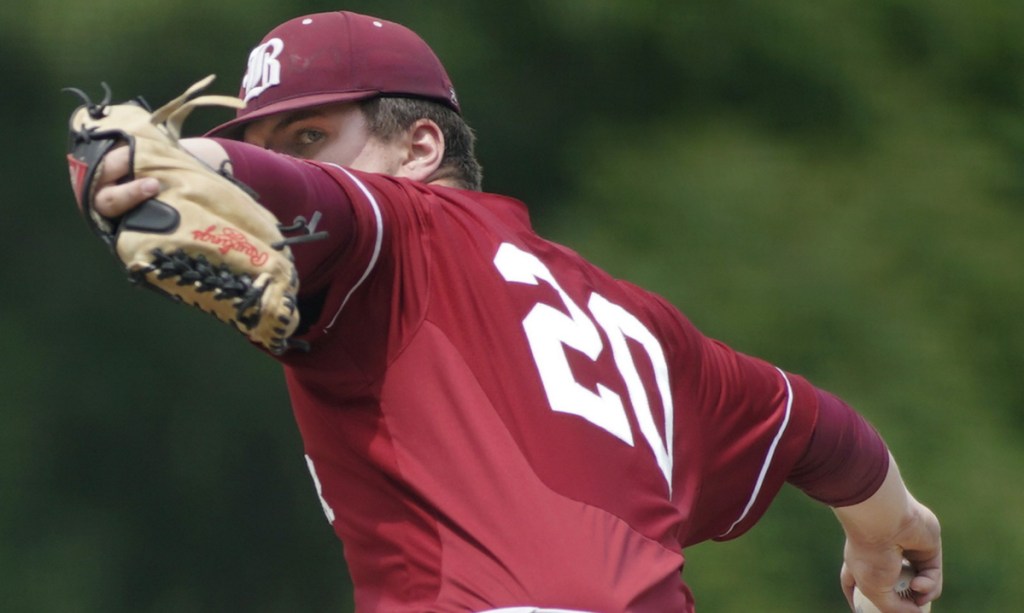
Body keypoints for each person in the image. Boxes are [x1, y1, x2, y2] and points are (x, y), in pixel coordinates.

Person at [83, 10, 941, 613]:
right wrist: (890, 526)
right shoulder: (645, 326)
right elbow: (818, 427)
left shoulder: (394, 226)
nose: (294, 167)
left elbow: (198, 171)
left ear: (420, 147)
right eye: (265, 145)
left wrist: (109, 164)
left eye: (311, 136)